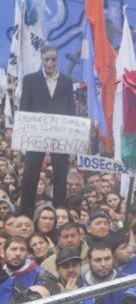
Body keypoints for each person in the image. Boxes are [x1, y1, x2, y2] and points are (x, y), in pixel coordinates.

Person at [18, 45, 76, 217]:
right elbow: (24, 109)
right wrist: (24, 137)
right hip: (36, 134)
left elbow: (70, 109)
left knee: (60, 173)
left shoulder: (66, 82)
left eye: (53, 59)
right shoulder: (30, 80)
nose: (50, 63)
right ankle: (25, 213)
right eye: (46, 59)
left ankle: (59, 211)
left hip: (60, 135)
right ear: (41, 59)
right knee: (31, 172)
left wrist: (72, 136)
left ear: (57, 60)